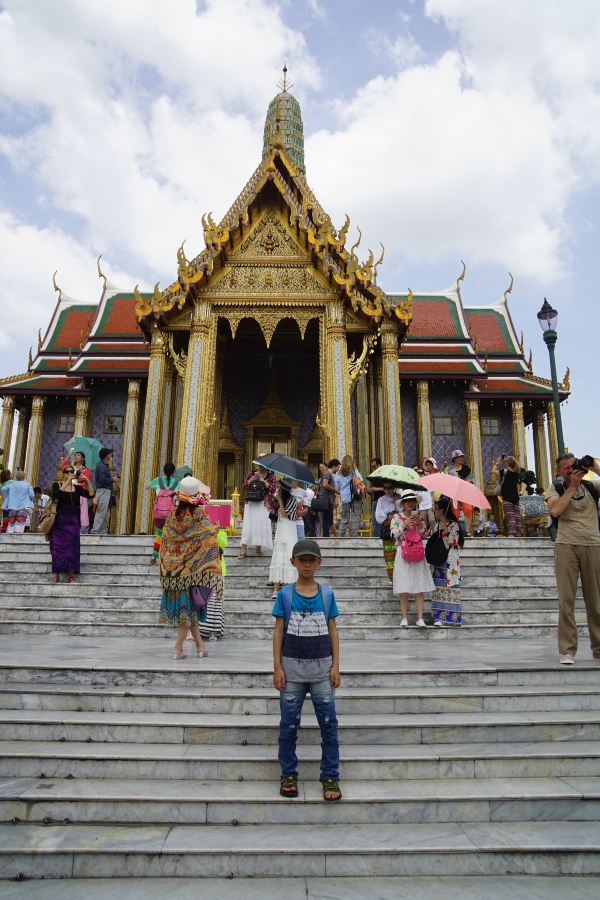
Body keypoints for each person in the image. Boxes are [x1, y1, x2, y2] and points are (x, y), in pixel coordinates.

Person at [272, 538, 342, 802]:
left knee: (329, 727)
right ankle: (288, 773)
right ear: (293, 562)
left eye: (311, 560)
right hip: (291, 673)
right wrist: (277, 667)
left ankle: (330, 775)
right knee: (288, 726)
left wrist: (336, 666)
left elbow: (333, 630)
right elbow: (278, 631)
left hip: (322, 672)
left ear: (319, 562)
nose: (307, 565)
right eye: (302, 560)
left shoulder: (327, 595)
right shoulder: (285, 595)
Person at [159, 476, 223, 658]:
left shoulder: (173, 514)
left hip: (173, 571)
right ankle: (177, 649)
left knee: (191, 610)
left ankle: (200, 647)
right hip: (192, 571)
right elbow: (207, 537)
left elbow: (167, 539)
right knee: (187, 611)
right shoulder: (199, 514)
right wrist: (215, 530)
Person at [545, 453, 600, 665]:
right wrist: (571, 487)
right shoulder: (556, 488)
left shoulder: (591, 487)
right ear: (559, 471)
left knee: (595, 601)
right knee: (566, 600)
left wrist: (594, 467)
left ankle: (598, 648)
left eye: (573, 466)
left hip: (592, 544)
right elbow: (555, 511)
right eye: (566, 468)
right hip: (566, 545)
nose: (571, 470)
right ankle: (567, 650)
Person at [390, 489, 433, 627]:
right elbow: (393, 534)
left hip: (417, 553)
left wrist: (420, 524)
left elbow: (424, 534)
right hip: (403, 553)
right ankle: (404, 617)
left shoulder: (419, 517)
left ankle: (420, 618)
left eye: (412, 501)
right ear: (403, 503)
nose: (410, 503)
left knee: (419, 586)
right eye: (407, 501)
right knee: (404, 585)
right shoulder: (396, 517)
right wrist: (405, 524)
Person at [48, 465, 94, 583]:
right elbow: (56, 496)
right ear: (63, 473)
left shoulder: (76, 488)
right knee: (57, 547)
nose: (69, 473)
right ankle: (56, 574)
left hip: (73, 521)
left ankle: (71, 575)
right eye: (66, 472)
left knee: (72, 548)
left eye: (71, 472)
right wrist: (68, 481)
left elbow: (90, 494)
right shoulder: (57, 485)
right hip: (59, 520)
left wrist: (87, 481)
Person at [430, 495, 464, 626]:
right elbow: (433, 540)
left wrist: (444, 531)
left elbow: (452, 542)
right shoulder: (436, 525)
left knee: (450, 589)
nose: (436, 510)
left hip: (450, 561)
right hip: (438, 560)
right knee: (439, 588)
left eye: (438, 508)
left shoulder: (454, 524)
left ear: (443, 510)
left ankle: (452, 618)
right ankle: (438, 617)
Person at [239, 463, 277, 558]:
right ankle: (243, 549)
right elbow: (244, 486)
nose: (261, 467)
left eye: (263, 466)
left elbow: (273, 489)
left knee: (260, 524)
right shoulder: (251, 474)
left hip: (263, 503)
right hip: (251, 503)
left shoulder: (271, 476)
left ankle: (258, 549)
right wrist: (252, 479)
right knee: (248, 525)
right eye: (260, 465)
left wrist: (263, 481)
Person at [269, 478, 299, 598]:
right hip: (281, 530)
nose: (278, 489)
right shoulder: (280, 499)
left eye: (279, 487)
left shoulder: (292, 500)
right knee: (278, 558)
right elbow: (277, 515)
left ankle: (291, 589)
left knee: (289, 556)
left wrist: (280, 500)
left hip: (289, 530)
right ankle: (276, 590)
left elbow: (285, 514)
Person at [148, 462, 180, 564]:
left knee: (159, 535)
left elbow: (147, 487)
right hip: (171, 515)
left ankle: (154, 556)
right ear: (174, 472)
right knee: (172, 536)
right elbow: (180, 496)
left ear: (163, 471)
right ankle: (169, 558)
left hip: (159, 515)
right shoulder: (177, 483)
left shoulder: (158, 480)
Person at [374, 481, 399, 581]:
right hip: (387, 531)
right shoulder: (381, 500)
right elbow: (379, 517)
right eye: (385, 488)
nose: (388, 490)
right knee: (389, 557)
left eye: (390, 488)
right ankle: (392, 579)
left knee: (399, 556)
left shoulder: (399, 498)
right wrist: (389, 516)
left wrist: (396, 515)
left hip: (400, 532)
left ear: (394, 487)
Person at [91, 448, 118, 535]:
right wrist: (112, 479)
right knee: (101, 512)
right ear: (107, 455)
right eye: (110, 454)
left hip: (105, 491)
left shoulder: (103, 465)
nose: (111, 455)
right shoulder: (102, 466)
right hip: (103, 491)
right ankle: (95, 531)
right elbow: (103, 479)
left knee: (105, 513)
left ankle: (102, 532)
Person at [493, 455, 522, 537]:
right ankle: (518, 533)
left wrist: (498, 462)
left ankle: (512, 534)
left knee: (510, 515)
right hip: (515, 497)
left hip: (507, 496)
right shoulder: (516, 473)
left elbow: (493, 471)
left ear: (507, 463)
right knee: (517, 516)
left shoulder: (505, 471)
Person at [336, 455, 364, 537]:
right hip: (355, 496)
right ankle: (353, 538)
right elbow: (360, 480)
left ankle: (340, 537)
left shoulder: (338, 473)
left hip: (344, 498)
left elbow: (337, 487)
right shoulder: (354, 471)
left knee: (344, 519)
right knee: (355, 518)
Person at [447, 450, 473, 535]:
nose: (461, 458)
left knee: (468, 509)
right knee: (455, 512)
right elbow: (446, 480)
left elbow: (471, 480)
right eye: (459, 457)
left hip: (464, 492)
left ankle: (467, 530)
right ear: (454, 459)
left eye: (462, 457)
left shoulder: (466, 468)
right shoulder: (449, 469)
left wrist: (463, 482)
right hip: (454, 492)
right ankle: (456, 530)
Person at [0, 469, 34, 534]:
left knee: (11, 522)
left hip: (12, 506)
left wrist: (7, 497)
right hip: (23, 506)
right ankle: (17, 536)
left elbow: (3, 489)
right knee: (20, 522)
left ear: (16, 477)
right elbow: (32, 495)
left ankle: (9, 535)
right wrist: (28, 499)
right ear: (24, 477)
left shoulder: (12, 484)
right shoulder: (27, 484)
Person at [315, 459, 340, 537]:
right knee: (326, 519)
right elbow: (325, 485)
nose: (338, 469)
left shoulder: (327, 474)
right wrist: (335, 490)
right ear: (334, 466)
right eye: (338, 467)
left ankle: (331, 536)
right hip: (326, 500)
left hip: (328, 500)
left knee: (329, 520)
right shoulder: (327, 473)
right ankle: (325, 536)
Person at [367, 456, 384, 537]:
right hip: (375, 500)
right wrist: (369, 490)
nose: (373, 468)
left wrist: (376, 489)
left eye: (374, 466)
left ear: (379, 465)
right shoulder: (373, 476)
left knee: (379, 520)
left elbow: (388, 489)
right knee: (374, 520)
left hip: (383, 500)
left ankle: (378, 537)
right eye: (372, 467)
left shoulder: (384, 476)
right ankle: (376, 537)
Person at [0, 468, 14, 533]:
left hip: (5, 504)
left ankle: (4, 529)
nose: (11, 475)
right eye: (10, 474)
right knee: (12, 519)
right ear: (8, 475)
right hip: (13, 504)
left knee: (5, 518)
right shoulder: (12, 482)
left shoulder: (1, 485)